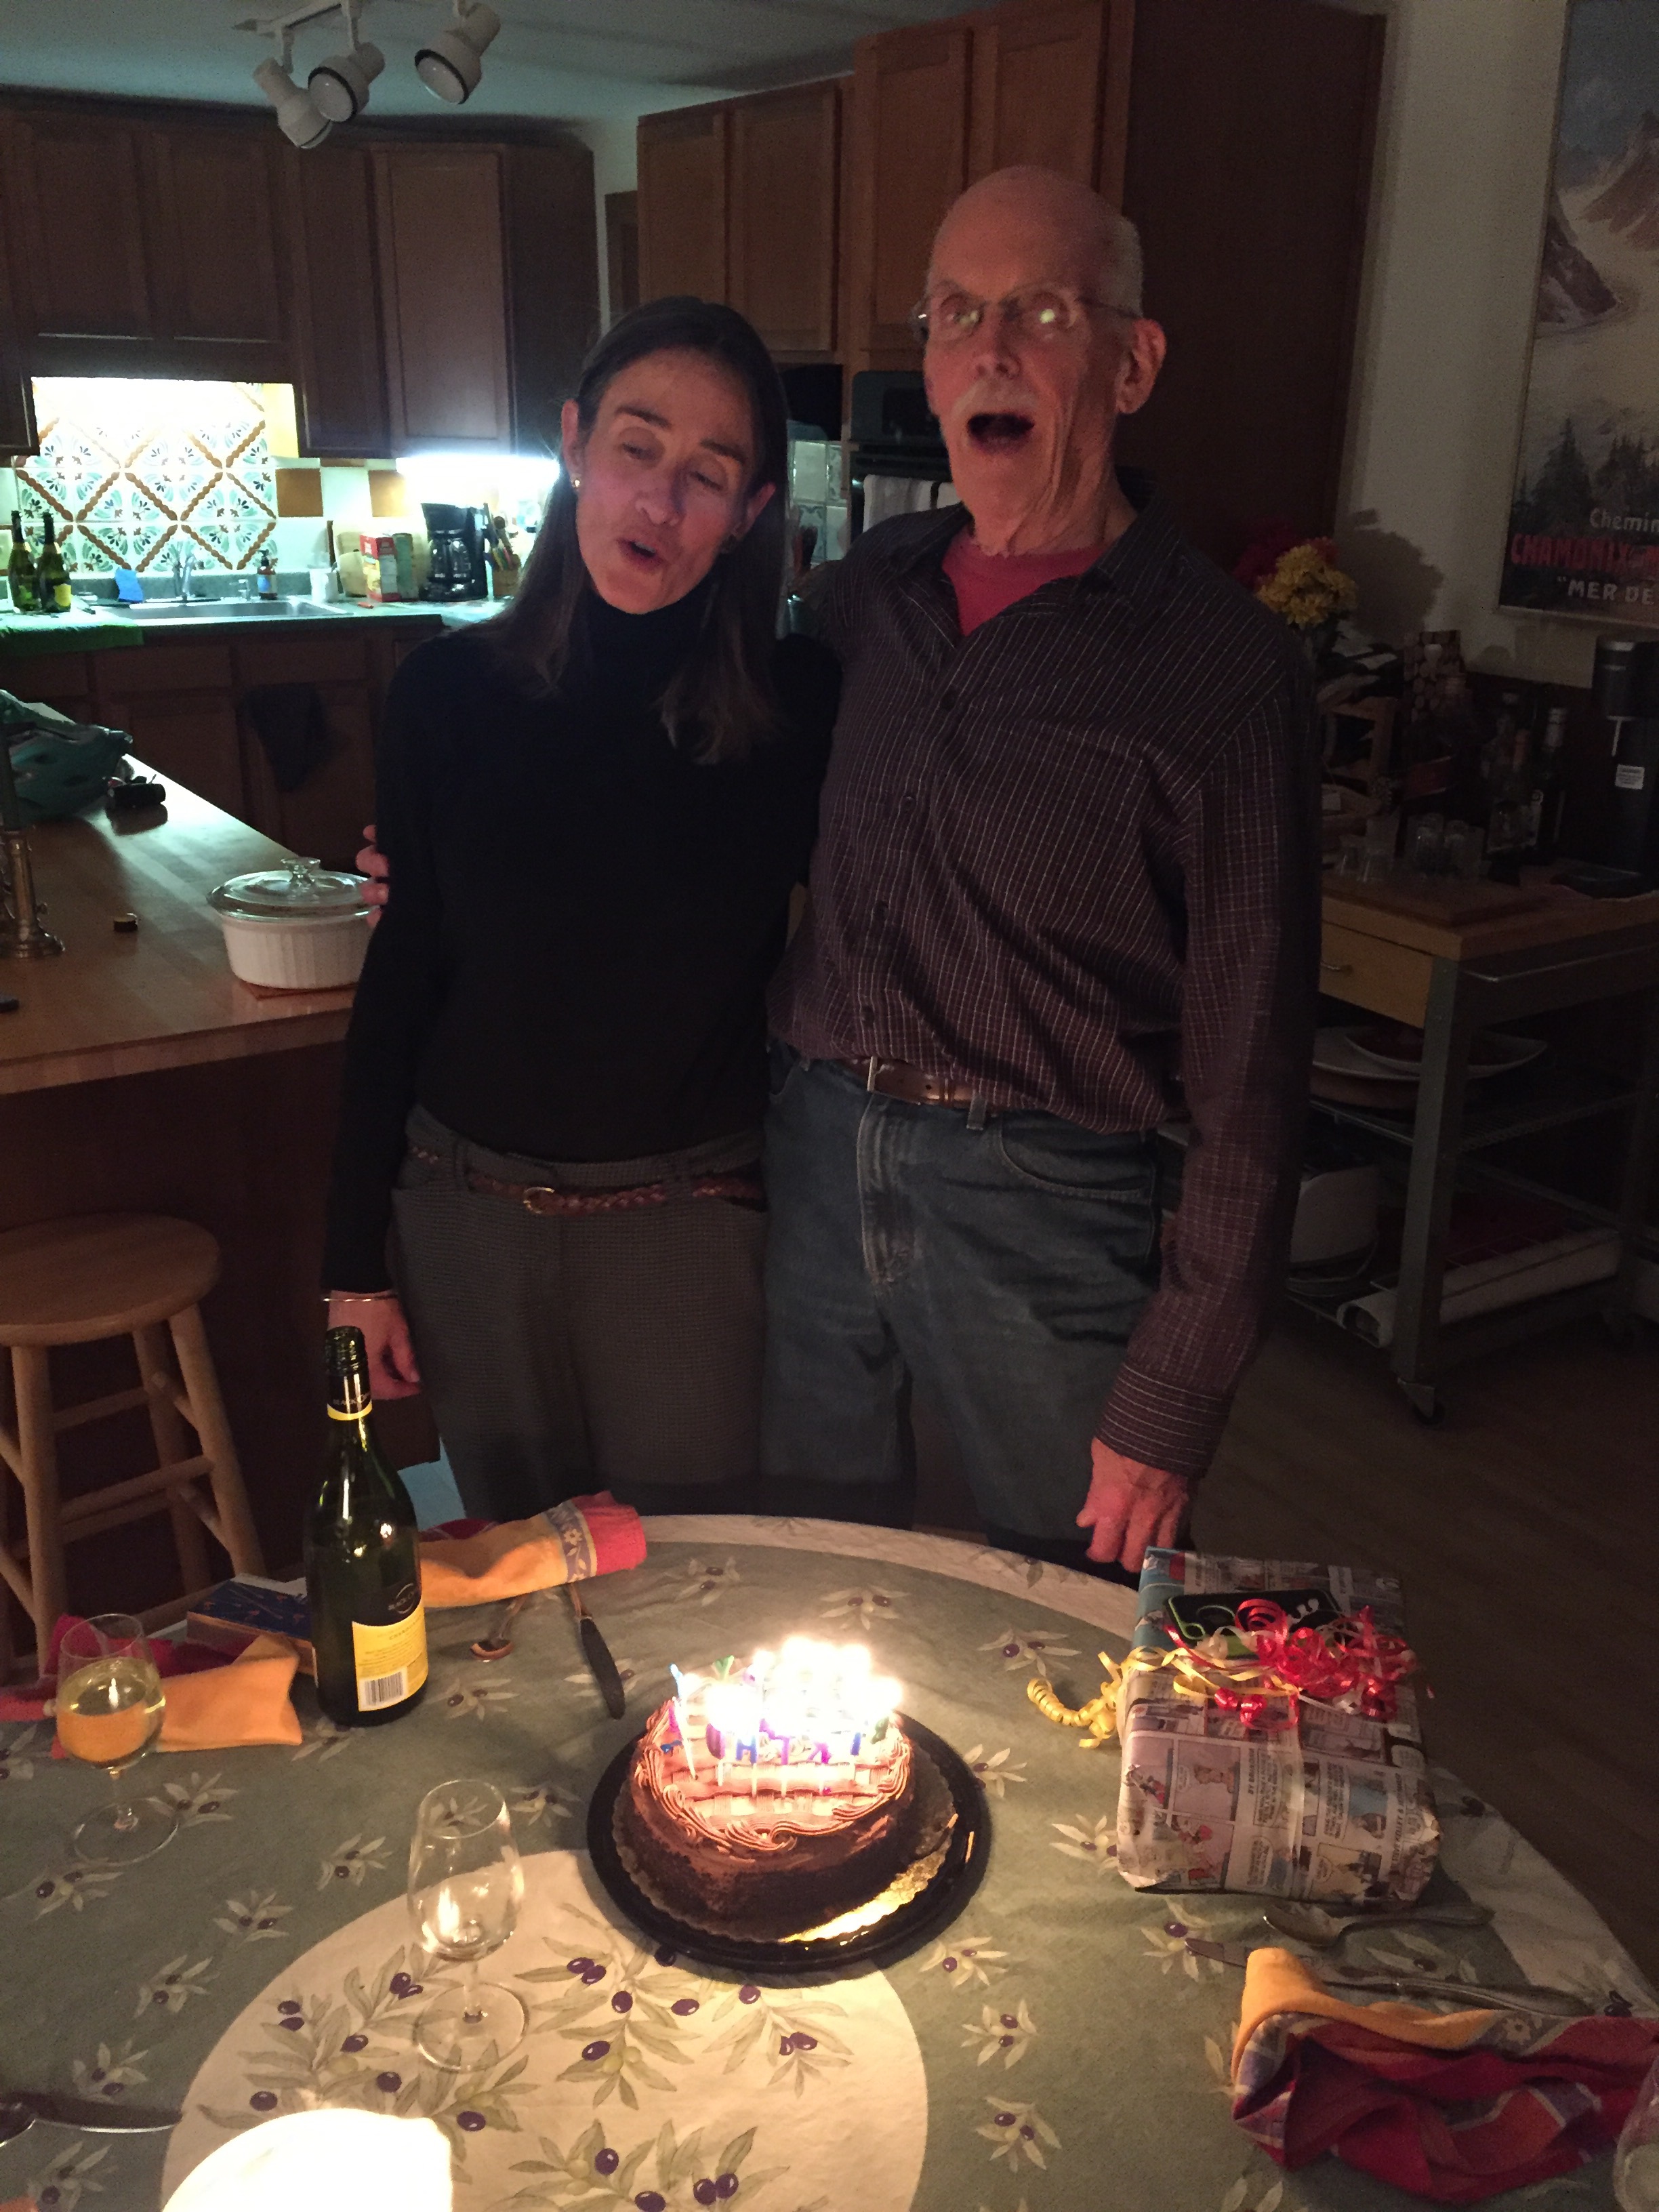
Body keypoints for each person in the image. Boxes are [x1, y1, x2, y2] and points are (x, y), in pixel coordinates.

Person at [759, 166, 1320, 1578]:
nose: (990, 348)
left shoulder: (1226, 670)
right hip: (815, 1147)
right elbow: (707, 796)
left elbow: (1252, 1073)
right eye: (956, 313)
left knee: (1084, 1603)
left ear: (1133, 365)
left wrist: (1174, 1395)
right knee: (812, 1571)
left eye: (1042, 311)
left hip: (1045, 1192)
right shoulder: (865, 596)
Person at [323, 298, 836, 1521]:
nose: (659, 501)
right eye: (635, 448)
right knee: (518, 1576)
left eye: (708, 475)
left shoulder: (803, 706)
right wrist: (351, 1265)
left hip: (685, 1228)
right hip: (464, 1218)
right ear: (572, 444)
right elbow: (401, 978)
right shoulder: (444, 692)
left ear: (751, 510)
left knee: (697, 1576)